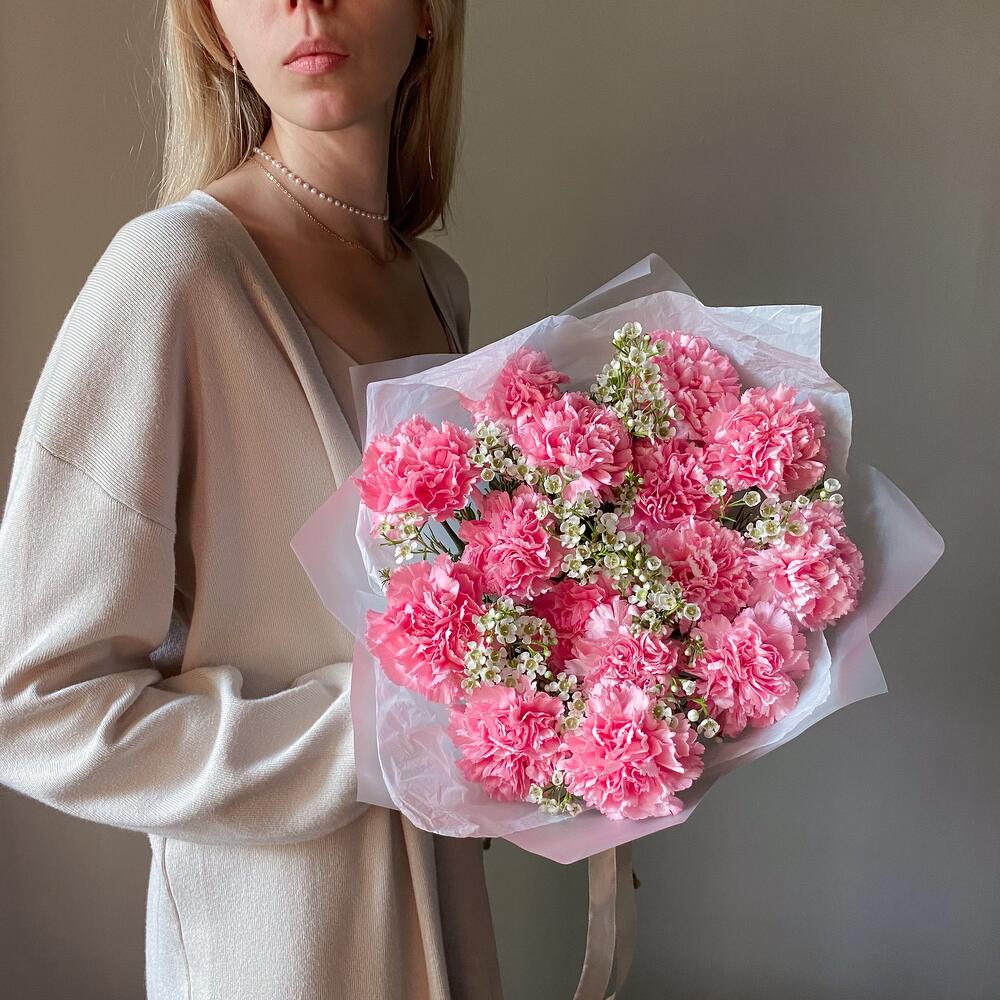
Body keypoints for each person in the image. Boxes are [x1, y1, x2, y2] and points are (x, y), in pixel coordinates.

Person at [0, 1, 504, 998]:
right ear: (215, 28)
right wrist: (368, 734)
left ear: (427, 15)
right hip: (276, 954)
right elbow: (32, 707)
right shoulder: (173, 273)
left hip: (451, 930)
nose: (303, 5)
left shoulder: (439, 291)